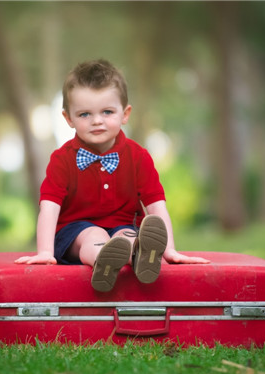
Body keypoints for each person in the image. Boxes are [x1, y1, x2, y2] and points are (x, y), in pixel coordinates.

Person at [15, 60, 209, 292]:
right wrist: (45, 252)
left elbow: (157, 207)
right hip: (75, 231)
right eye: (85, 114)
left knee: (128, 236)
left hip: (124, 225)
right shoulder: (62, 159)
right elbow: (49, 208)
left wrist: (169, 250)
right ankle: (102, 259)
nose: (97, 120)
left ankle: (138, 256)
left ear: (125, 114)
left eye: (107, 112)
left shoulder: (138, 156)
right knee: (92, 235)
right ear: (69, 119)